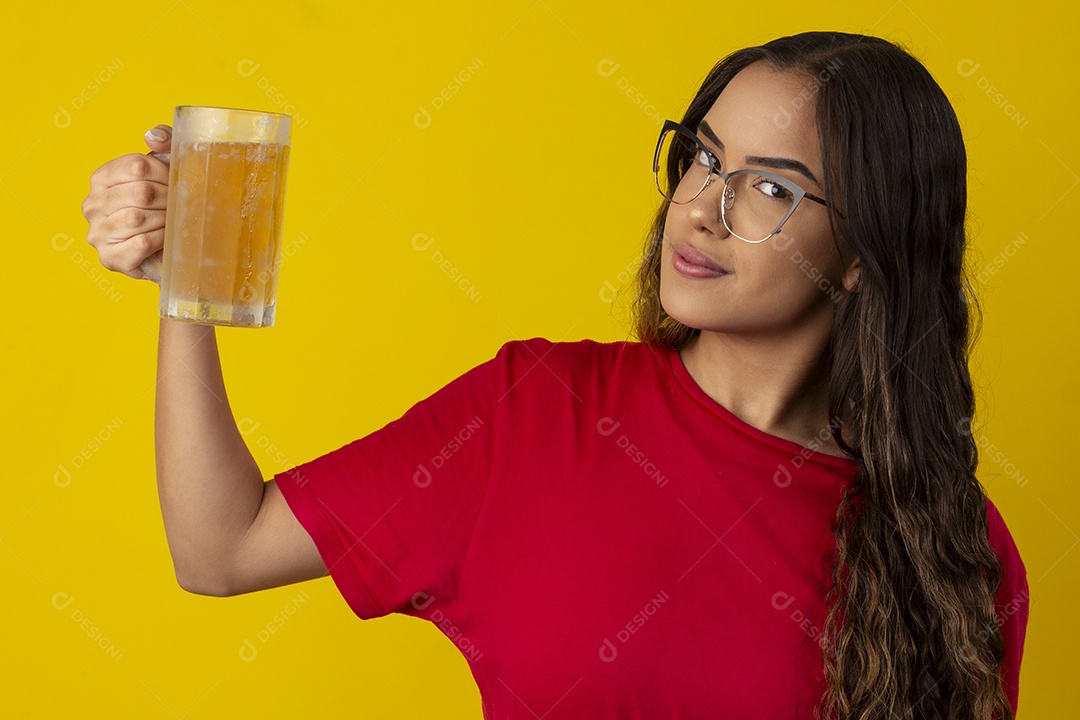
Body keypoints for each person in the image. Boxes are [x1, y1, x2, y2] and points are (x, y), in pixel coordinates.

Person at [81, 30, 1028, 720]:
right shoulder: (536, 411)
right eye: (701, 157)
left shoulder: (954, 549)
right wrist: (188, 284)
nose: (699, 209)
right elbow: (221, 549)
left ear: (866, 248)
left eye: (769, 188)